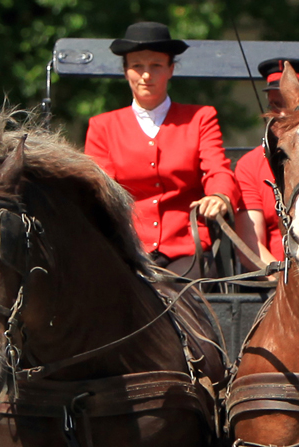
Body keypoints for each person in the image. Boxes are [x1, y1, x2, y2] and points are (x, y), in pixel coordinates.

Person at [84, 22, 237, 276]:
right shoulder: (102, 126)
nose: (146, 75)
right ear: (125, 72)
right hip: (127, 249)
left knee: (177, 297)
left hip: (188, 250)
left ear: (171, 70)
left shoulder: (200, 117)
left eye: (156, 65)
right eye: (137, 66)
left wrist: (219, 196)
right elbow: (102, 190)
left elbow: (217, 169)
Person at [232, 58, 299, 268]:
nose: (280, 114)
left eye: (289, 104)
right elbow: (251, 246)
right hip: (277, 283)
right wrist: (288, 287)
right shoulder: (250, 165)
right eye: (274, 105)